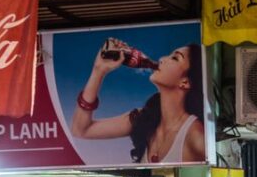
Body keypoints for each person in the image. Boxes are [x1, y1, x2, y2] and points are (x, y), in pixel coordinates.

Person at [71, 40, 205, 164]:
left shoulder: (195, 135)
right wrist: (98, 71)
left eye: (175, 58)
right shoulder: (145, 118)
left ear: (185, 82)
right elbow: (81, 130)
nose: (162, 59)